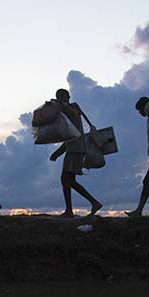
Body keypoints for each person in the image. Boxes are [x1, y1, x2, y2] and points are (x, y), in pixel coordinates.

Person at [49, 89, 102, 218]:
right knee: (70, 180)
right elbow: (68, 136)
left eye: (63, 96)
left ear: (68, 97)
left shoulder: (73, 108)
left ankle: (69, 210)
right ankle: (93, 203)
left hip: (76, 149)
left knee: (66, 179)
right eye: (58, 97)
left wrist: (61, 105)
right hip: (73, 148)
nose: (60, 98)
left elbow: (73, 132)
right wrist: (58, 153)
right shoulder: (64, 114)